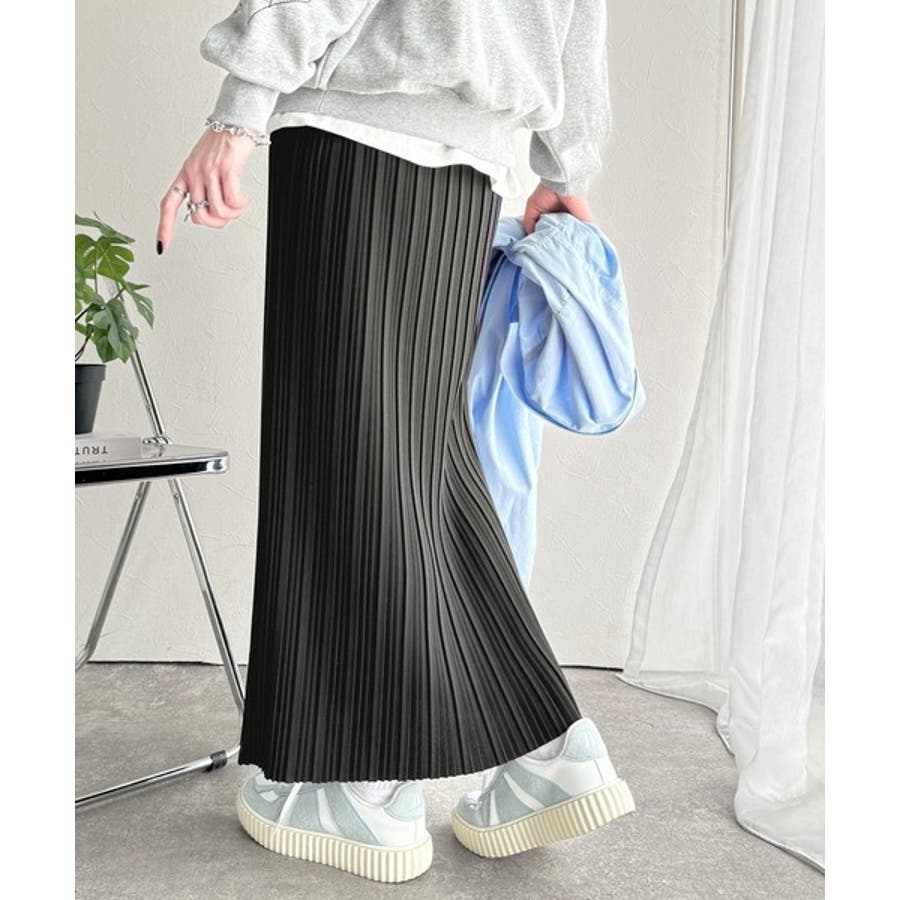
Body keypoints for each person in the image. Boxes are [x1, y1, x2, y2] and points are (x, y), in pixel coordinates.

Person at [156, 0, 634, 884]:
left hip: (357, 130)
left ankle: (366, 784)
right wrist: (562, 162)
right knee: (416, 459)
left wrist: (239, 111)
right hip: (477, 160)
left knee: (346, 456)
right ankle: (541, 754)